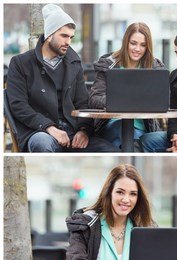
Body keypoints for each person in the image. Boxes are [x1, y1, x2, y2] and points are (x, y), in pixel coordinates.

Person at [5, 3, 109, 152]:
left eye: (71, 37)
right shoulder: (21, 63)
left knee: (108, 148)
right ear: (49, 35)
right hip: (38, 131)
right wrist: (49, 128)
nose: (69, 42)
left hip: (72, 133)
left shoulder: (74, 63)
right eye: (64, 36)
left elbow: (83, 103)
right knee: (42, 143)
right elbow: (18, 106)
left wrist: (84, 130)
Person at [62, 163, 155, 260]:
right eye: (120, 192)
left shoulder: (144, 228)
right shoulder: (86, 224)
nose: (126, 199)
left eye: (133, 194)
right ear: (109, 192)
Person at [89, 22, 170, 153]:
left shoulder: (155, 67)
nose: (137, 49)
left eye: (143, 45)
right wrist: (119, 102)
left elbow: (164, 99)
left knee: (136, 141)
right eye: (133, 43)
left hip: (143, 127)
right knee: (122, 135)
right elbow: (95, 98)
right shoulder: (109, 64)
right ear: (126, 42)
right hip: (112, 125)